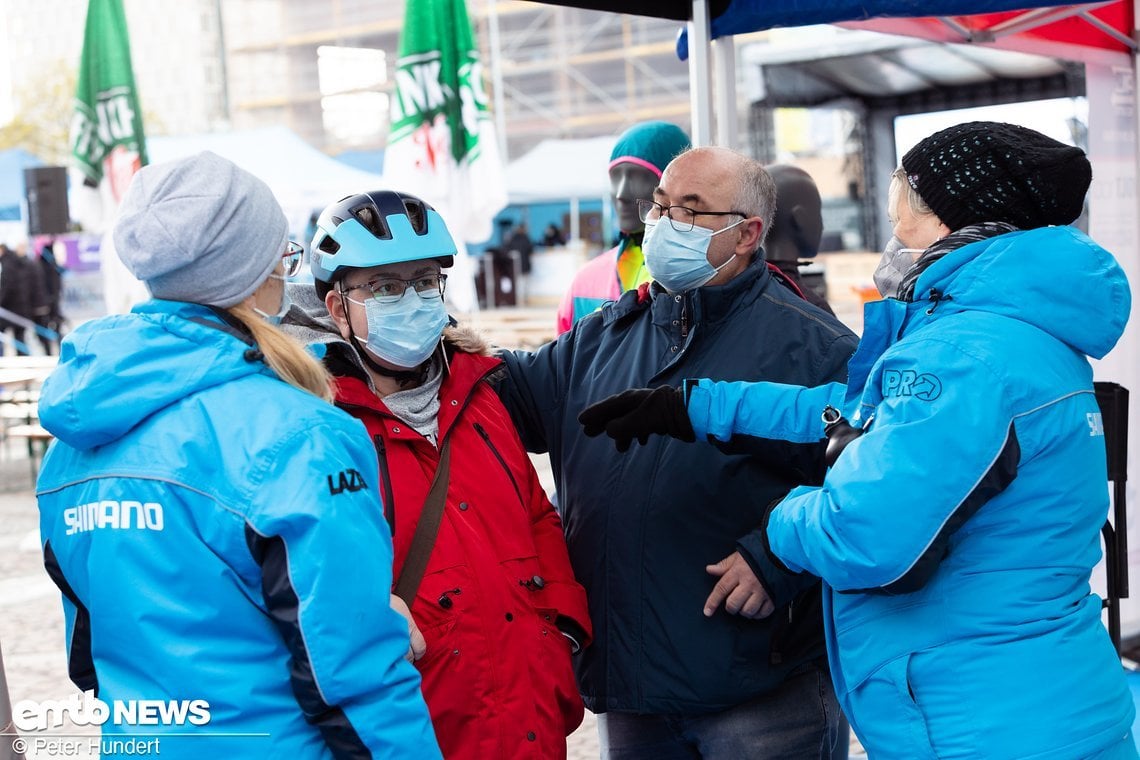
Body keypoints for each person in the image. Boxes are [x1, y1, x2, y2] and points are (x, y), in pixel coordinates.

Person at [577, 122, 1138, 758]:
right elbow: (855, 413)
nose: (895, 236)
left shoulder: (965, 357)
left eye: (910, 215)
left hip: (983, 719)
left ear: (968, 225)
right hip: (1037, 698)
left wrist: (777, 532)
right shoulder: (1006, 336)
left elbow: (864, 533)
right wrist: (697, 405)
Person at [35, 152, 440, 759]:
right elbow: (353, 675)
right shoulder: (301, 435)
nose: (286, 273)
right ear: (252, 273)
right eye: (283, 257)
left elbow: (90, 652)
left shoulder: (74, 437)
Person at [497, 146, 858, 759]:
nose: (663, 224)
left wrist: (778, 560)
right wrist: (434, 343)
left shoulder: (815, 346)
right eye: (660, 206)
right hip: (633, 689)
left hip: (758, 690)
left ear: (746, 234)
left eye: (689, 212)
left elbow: (868, 491)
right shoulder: (605, 333)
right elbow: (511, 395)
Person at [281, 189, 592, 760]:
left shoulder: (480, 393)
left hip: (528, 718)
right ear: (335, 307)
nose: (413, 299)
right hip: (413, 726)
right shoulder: (314, 421)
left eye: (425, 281)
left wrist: (561, 632)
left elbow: (534, 515)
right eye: (384, 286)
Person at [555, 120, 691, 334]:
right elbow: (564, 364)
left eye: (639, 177)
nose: (620, 193)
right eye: (615, 177)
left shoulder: (698, 276)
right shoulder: (584, 282)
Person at [764, 164, 835, 316]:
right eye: (818, 212)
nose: (823, 225)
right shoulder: (813, 309)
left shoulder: (736, 293)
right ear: (800, 219)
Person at [0, 242, 38, 355]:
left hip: (12, 309)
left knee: (18, 338)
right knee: (20, 338)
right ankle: (24, 360)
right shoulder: (17, 262)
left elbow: (6, 288)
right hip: (22, 307)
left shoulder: (7, 265)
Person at [33, 239, 65, 354]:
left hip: (48, 304)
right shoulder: (52, 266)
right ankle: (52, 353)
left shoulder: (44, 266)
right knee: (53, 330)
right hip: (51, 304)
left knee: (52, 331)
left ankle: (51, 353)